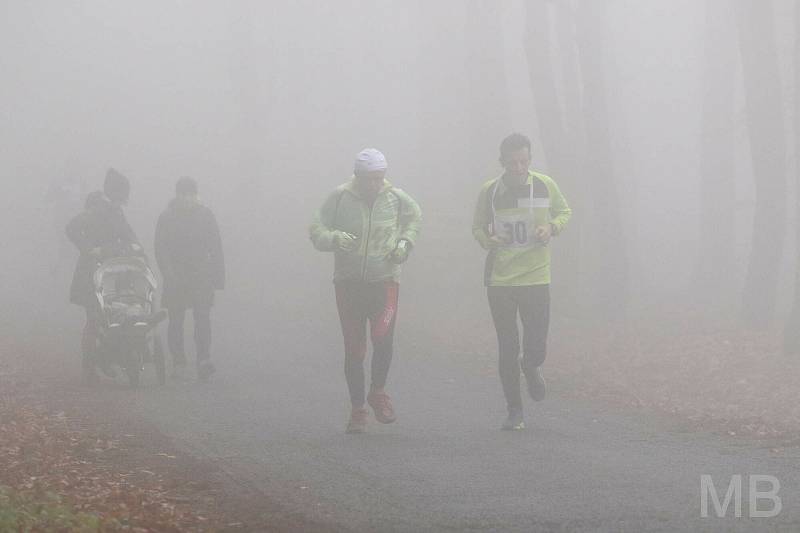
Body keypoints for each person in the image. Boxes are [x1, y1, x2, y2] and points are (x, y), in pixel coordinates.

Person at [310, 148, 422, 434]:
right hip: (348, 284)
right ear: (357, 176)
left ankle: (378, 392)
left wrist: (405, 244)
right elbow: (316, 229)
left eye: (379, 178)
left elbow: (415, 218)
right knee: (355, 348)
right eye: (368, 179)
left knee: (383, 339)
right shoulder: (339, 197)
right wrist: (333, 238)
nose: (374, 185)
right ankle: (358, 409)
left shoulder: (396, 197)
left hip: (385, 281)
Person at [472, 133, 572, 430]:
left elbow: (565, 212)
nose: (518, 168)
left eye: (524, 161)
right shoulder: (490, 191)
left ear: (530, 160)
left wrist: (551, 228)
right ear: (502, 162)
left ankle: (531, 366)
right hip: (500, 279)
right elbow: (477, 227)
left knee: (536, 343)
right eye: (513, 162)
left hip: (536, 276)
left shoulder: (544, 184)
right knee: (507, 346)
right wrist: (488, 240)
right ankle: (515, 411)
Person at [66, 168, 139, 384]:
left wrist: (138, 249)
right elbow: (71, 228)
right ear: (116, 193)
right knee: (94, 319)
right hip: (92, 273)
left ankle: (104, 357)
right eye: (123, 195)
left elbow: (128, 233)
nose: (125, 200)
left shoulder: (116, 211)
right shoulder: (97, 209)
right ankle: (89, 367)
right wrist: (89, 249)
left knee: (112, 316)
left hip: (113, 272)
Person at [154, 177, 225, 382]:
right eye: (182, 194)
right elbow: (160, 248)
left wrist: (218, 277)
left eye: (190, 194)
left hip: (201, 276)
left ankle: (203, 359)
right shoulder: (166, 217)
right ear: (177, 195)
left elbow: (216, 247)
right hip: (175, 277)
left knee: (202, 318)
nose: (186, 198)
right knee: (176, 319)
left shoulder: (206, 216)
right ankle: (178, 362)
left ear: (195, 195)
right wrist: (168, 273)